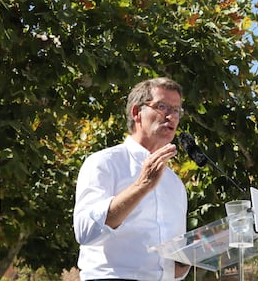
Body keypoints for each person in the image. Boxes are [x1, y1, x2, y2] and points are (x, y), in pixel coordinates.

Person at [73, 77, 190, 281]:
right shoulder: (104, 163)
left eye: (177, 110)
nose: (171, 117)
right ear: (136, 112)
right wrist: (142, 185)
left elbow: (176, 266)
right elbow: (85, 231)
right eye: (162, 107)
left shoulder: (175, 184)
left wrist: (197, 255)